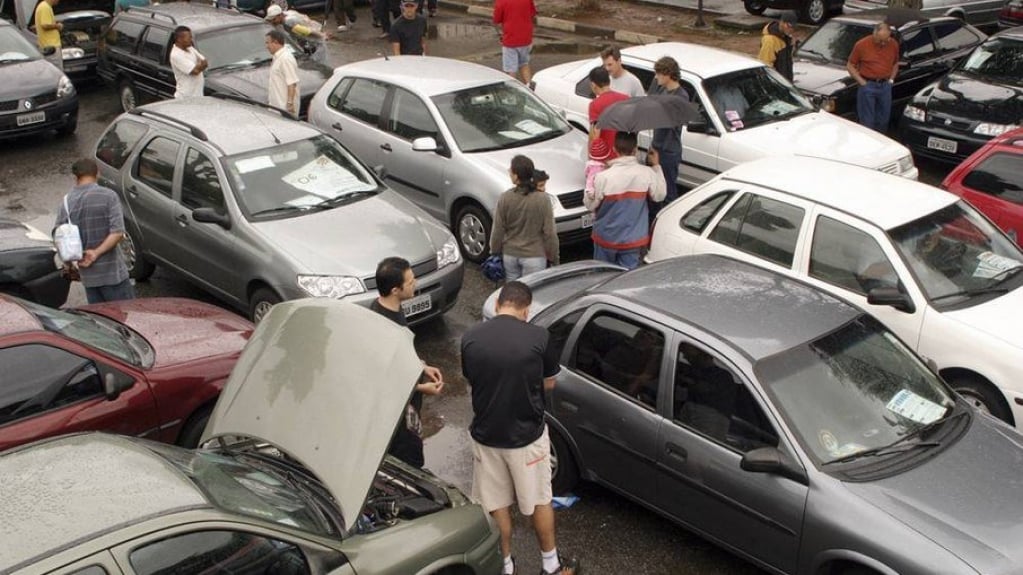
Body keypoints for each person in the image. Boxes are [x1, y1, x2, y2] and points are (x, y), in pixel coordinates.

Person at [461, 281, 579, 575]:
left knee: (496, 504)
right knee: (539, 500)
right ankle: (550, 565)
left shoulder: (471, 338)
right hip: (527, 438)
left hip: (486, 436)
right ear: (526, 310)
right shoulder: (538, 337)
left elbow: (472, 378)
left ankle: (505, 565)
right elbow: (550, 382)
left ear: (500, 304)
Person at [370, 257, 445, 468]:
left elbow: (400, 356)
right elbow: (383, 379)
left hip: (409, 404)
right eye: (411, 282)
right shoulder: (382, 326)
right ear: (395, 290)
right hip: (399, 415)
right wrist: (422, 387)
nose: (416, 284)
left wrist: (421, 366)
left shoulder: (392, 308)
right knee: (409, 462)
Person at [53, 159, 134, 304]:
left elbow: (59, 237)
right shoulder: (109, 196)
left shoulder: (66, 203)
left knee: (103, 321)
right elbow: (118, 232)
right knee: (127, 317)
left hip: (89, 279)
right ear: (97, 173)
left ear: (75, 177)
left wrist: (69, 264)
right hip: (113, 275)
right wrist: (96, 253)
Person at [585, 131, 666, 269]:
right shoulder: (646, 173)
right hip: (633, 240)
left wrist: (590, 179)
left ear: (614, 149)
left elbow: (589, 205)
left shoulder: (603, 177)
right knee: (627, 281)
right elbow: (660, 195)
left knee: (601, 278)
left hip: (606, 238)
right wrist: (656, 166)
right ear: (635, 150)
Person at [490, 155, 559, 281]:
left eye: (511, 170)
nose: (509, 172)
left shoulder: (505, 198)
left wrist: (494, 251)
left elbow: (498, 230)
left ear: (516, 176)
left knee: (512, 292)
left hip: (510, 254)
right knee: (533, 293)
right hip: (535, 256)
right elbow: (550, 233)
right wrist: (554, 257)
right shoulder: (543, 199)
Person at [647, 56, 689, 209]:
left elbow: (673, 123)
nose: (656, 77)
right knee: (653, 190)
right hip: (656, 146)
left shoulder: (681, 96)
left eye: (658, 74)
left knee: (668, 192)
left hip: (668, 151)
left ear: (668, 74)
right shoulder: (662, 90)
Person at [847, 21, 899, 132]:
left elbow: (895, 63)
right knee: (867, 122)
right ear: (874, 34)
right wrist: (862, 82)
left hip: (885, 85)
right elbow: (850, 65)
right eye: (880, 40)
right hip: (868, 85)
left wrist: (891, 80)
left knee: (883, 120)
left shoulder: (893, 44)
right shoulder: (861, 45)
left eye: (886, 40)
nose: (883, 43)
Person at [265, 4, 329, 65]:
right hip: (310, 46)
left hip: (316, 47)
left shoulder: (289, 22)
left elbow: (306, 31)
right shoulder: (288, 13)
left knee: (319, 70)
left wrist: (322, 35)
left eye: (274, 19)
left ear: (280, 15)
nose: (273, 22)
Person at [587, 66, 628, 157]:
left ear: (593, 85)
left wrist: (590, 157)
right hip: (624, 154)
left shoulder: (595, 105)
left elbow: (595, 135)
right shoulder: (625, 99)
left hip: (606, 156)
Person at [493, 0, 536, 86]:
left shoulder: (501, 1)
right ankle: (529, 85)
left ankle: (512, 89)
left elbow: (496, 20)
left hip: (510, 39)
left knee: (510, 69)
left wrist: (500, 34)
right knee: (524, 63)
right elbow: (532, 14)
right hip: (526, 38)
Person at [265, 29, 300, 116]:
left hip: (283, 110)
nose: (266, 46)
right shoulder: (277, 57)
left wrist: (290, 104)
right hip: (276, 107)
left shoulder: (285, 59)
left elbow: (292, 83)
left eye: (267, 43)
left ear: (275, 42)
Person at [169, 26, 208, 99]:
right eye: (189, 37)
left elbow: (205, 62)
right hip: (186, 97)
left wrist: (199, 65)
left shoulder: (190, 48)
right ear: (179, 39)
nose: (191, 40)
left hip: (197, 95)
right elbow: (195, 71)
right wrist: (200, 65)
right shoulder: (176, 55)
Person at [758, 12, 796, 81]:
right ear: (781, 22)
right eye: (788, 26)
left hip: (785, 83)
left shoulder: (787, 38)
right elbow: (766, 65)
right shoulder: (769, 40)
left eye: (793, 27)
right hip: (776, 84)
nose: (791, 29)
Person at [34, 0, 63, 71]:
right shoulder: (45, 7)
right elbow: (45, 25)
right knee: (57, 72)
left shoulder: (44, 6)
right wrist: (57, 26)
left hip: (47, 46)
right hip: (51, 47)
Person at [584, 137, 610, 203]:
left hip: (594, 185)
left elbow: (586, 174)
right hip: (599, 188)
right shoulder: (599, 167)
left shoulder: (590, 164)